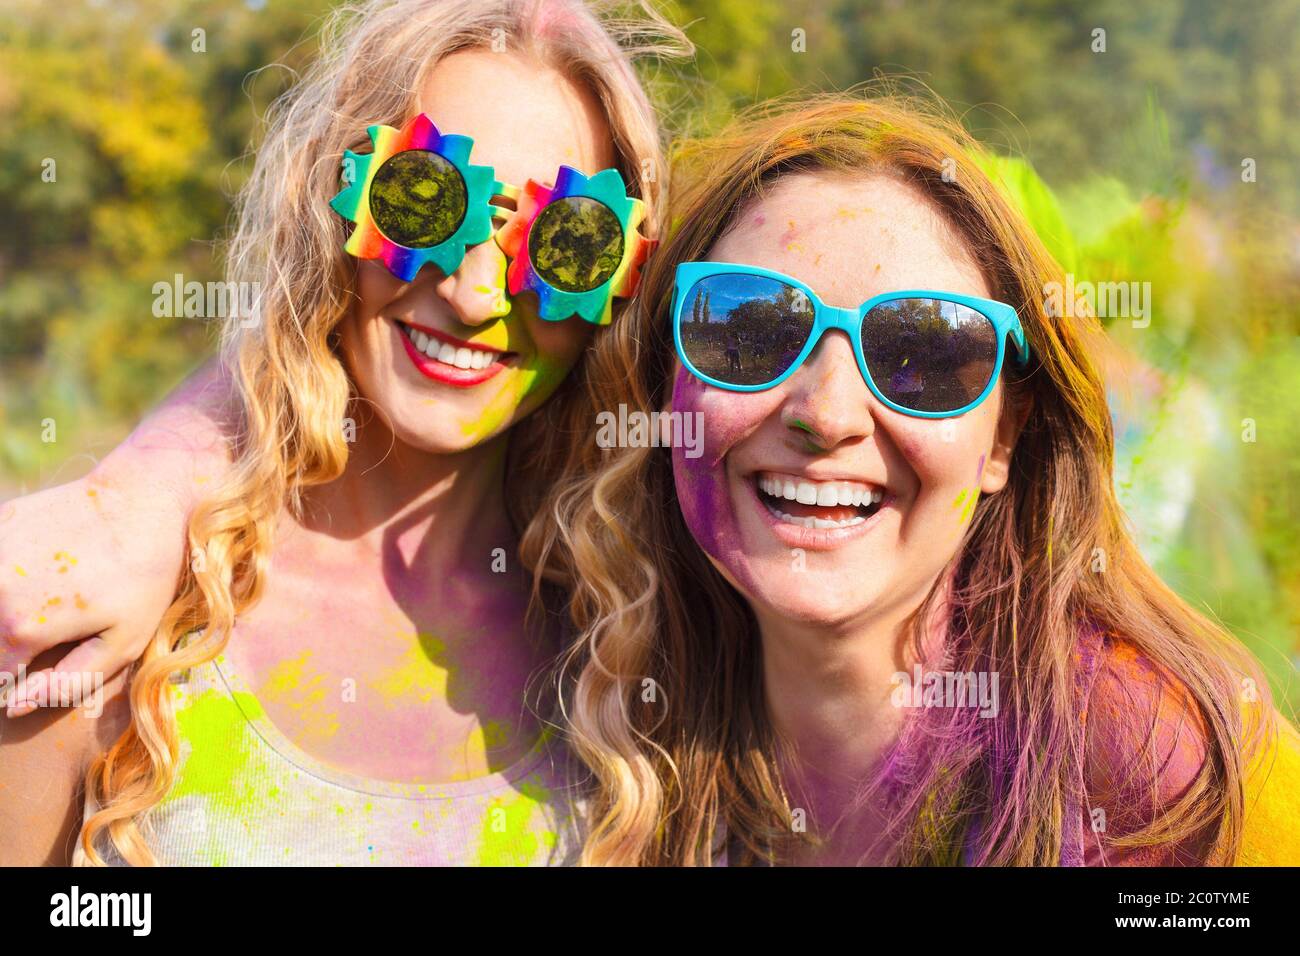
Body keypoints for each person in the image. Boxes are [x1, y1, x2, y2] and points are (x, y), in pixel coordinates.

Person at [0, 0, 684, 866]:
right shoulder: (115, 616)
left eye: (565, 244)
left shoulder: (645, 649)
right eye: (425, 200)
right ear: (333, 204)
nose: (474, 296)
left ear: (617, 290)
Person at [531, 95, 1300, 865]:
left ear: (1002, 437)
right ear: (665, 383)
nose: (827, 414)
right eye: (749, 331)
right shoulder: (603, 727)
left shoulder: (1178, 781)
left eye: (925, 355)